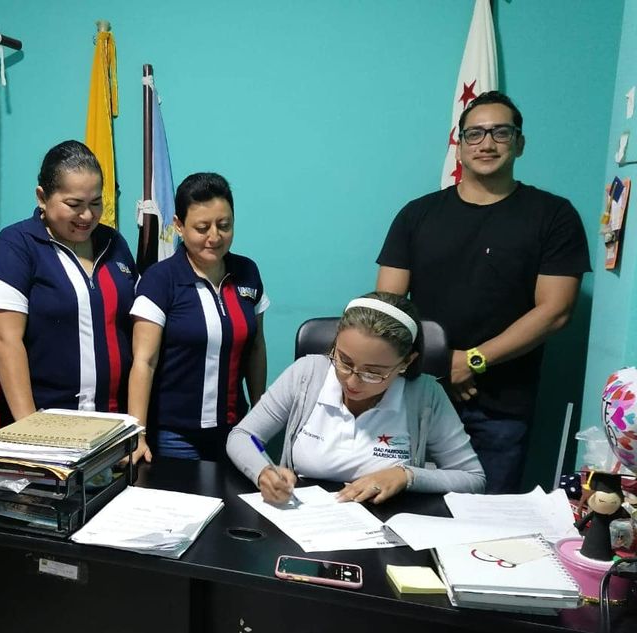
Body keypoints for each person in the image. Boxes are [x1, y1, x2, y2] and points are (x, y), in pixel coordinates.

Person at [376, 91, 591, 494]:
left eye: (500, 132)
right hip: (416, 395)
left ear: (519, 143)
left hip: (500, 407)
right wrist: (441, 364)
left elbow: (556, 310)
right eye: (474, 134)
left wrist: (472, 360)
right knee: (400, 509)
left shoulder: (554, 216)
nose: (486, 143)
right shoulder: (416, 214)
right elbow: (388, 306)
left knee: (485, 519)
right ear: (459, 146)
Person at [227, 292, 485, 505]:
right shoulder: (307, 374)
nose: (351, 381)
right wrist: (263, 470)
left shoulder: (424, 394)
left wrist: (405, 476)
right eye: (344, 362)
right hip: (304, 519)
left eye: (373, 373)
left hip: (387, 529)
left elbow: (472, 478)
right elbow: (245, 436)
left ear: (406, 362)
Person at [0, 140, 138, 420]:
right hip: (47, 420)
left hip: (113, 421)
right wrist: (29, 426)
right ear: (42, 197)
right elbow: (4, 340)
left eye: (96, 203)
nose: (87, 216)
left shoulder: (113, 242)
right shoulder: (16, 245)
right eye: (74, 204)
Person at [129, 172, 268, 462]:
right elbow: (144, 362)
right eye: (202, 228)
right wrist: (137, 435)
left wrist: (259, 414)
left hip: (235, 430)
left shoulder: (247, 272)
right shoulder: (160, 279)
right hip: (174, 434)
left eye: (224, 225)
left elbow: (256, 347)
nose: (214, 237)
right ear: (179, 225)